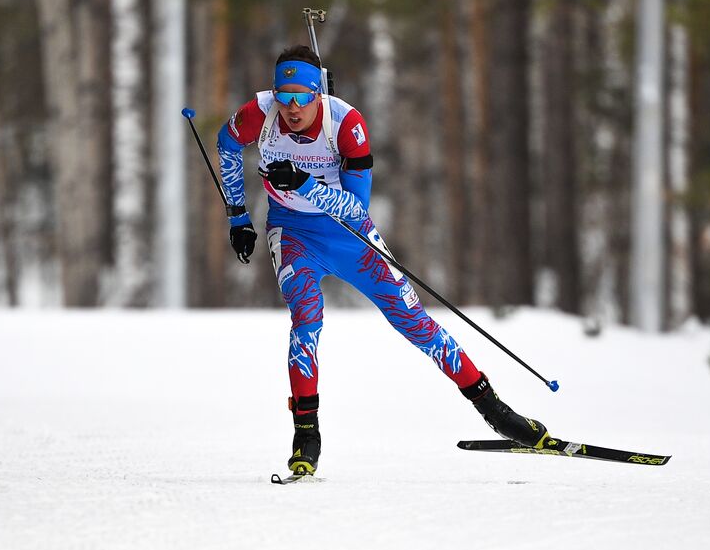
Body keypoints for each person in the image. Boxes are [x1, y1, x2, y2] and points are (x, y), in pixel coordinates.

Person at [217, 44, 549, 476]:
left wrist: (304, 184)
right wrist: (238, 216)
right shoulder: (258, 115)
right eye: (285, 97)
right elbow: (225, 145)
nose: (292, 108)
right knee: (306, 317)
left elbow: (357, 209)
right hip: (293, 232)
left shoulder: (346, 124)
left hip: (351, 237)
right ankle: (306, 435)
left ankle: (495, 410)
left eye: (302, 97)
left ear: (319, 93)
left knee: (415, 322)